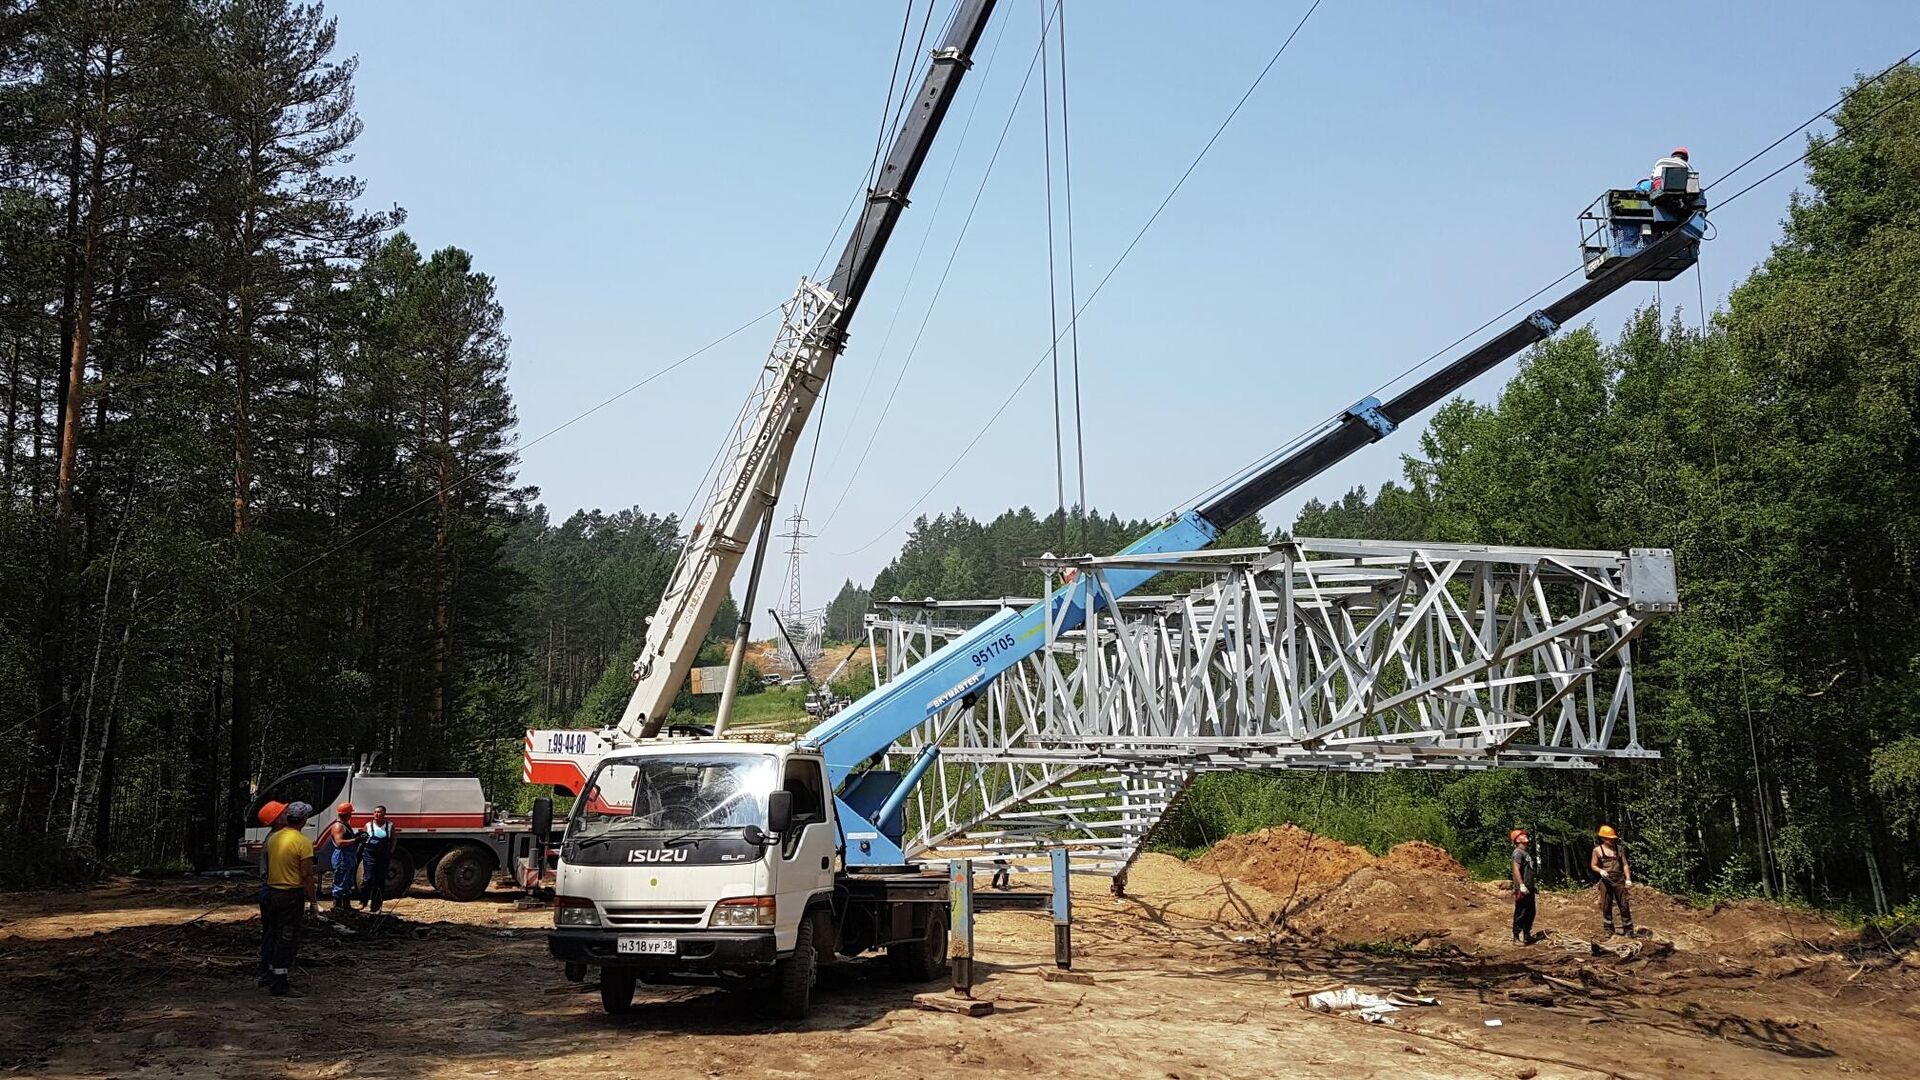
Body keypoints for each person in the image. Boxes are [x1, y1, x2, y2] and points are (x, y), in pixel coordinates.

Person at [264, 801, 319, 996]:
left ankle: (271, 974)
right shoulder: (303, 842)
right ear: (303, 820)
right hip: (291, 894)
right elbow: (306, 875)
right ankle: (280, 983)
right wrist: (313, 901)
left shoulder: (273, 838)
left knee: (275, 934)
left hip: (273, 892)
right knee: (288, 938)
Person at [255, 800, 288, 987]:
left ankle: (268, 971)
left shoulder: (274, 838)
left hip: (269, 890)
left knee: (271, 933)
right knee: (274, 934)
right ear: (277, 820)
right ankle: (269, 974)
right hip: (272, 891)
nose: (287, 814)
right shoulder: (275, 840)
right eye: (283, 813)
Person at [1590, 824, 1635, 937]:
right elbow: (1593, 865)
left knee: (1624, 904)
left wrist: (1628, 879)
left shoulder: (1619, 849)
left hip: (1619, 880)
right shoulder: (1597, 850)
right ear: (1603, 838)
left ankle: (1628, 929)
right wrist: (1600, 871)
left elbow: (1624, 864)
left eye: (1613, 839)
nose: (1612, 840)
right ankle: (1608, 930)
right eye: (1609, 839)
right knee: (1606, 904)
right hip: (1606, 881)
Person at [357, 805, 399, 912]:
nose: (377, 814)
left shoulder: (389, 826)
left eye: (379, 812)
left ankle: (376, 906)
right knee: (368, 879)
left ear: (384, 814)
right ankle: (363, 902)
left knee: (380, 881)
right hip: (369, 855)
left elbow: (394, 840)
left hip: (383, 856)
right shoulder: (368, 825)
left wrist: (390, 852)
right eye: (375, 812)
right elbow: (362, 839)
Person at [322, 802, 360, 911]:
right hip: (342, 856)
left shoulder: (345, 825)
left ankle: (346, 905)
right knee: (341, 881)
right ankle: (337, 907)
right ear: (348, 814)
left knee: (347, 881)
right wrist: (355, 840)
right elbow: (339, 843)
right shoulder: (339, 826)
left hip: (348, 856)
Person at [1510, 828, 1538, 945]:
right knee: (1521, 911)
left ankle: (1527, 935)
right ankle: (1516, 937)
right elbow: (1516, 868)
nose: (1525, 836)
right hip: (1522, 888)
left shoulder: (1526, 853)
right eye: (1522, 835)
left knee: (1531, 911)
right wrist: (1521, 885)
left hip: (1529, 887)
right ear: (1517, 840)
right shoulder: (1517, 852)